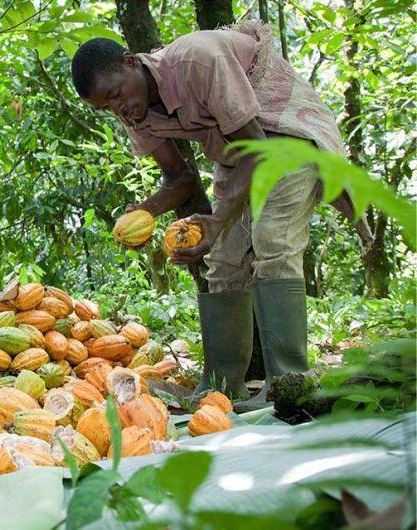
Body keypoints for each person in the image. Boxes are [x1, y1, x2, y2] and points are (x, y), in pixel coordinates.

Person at [70, 22, 369, 410]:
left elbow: (258, 148)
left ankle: (288, 382)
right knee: (223, 260)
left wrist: (217, 219)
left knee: (272, 240)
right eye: (105, 107)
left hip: (285, 135)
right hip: (238, 155)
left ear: (131, 62)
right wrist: (146, 211)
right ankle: (222, 385)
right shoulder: (135, 113)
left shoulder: (198, 59)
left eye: (115, 94)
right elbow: (179, 178)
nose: (118, 108)